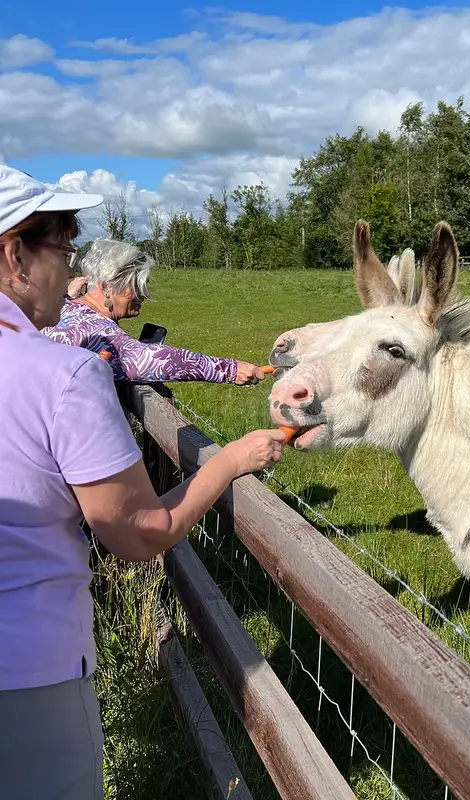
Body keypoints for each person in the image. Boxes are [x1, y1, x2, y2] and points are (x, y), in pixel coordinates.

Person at [0, 163, 286, 799]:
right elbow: (138, 532)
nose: (68, 270)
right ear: (17, 255)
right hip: (25, 674)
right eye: (63, 248)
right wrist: (228, 460)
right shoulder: (64, 370)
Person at [42, 238, 266, 385]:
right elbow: (150, 359)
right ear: (105, 287)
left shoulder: (66, 307)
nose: (145, 294)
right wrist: (229, 369)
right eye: (136, 286)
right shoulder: (94, 329)